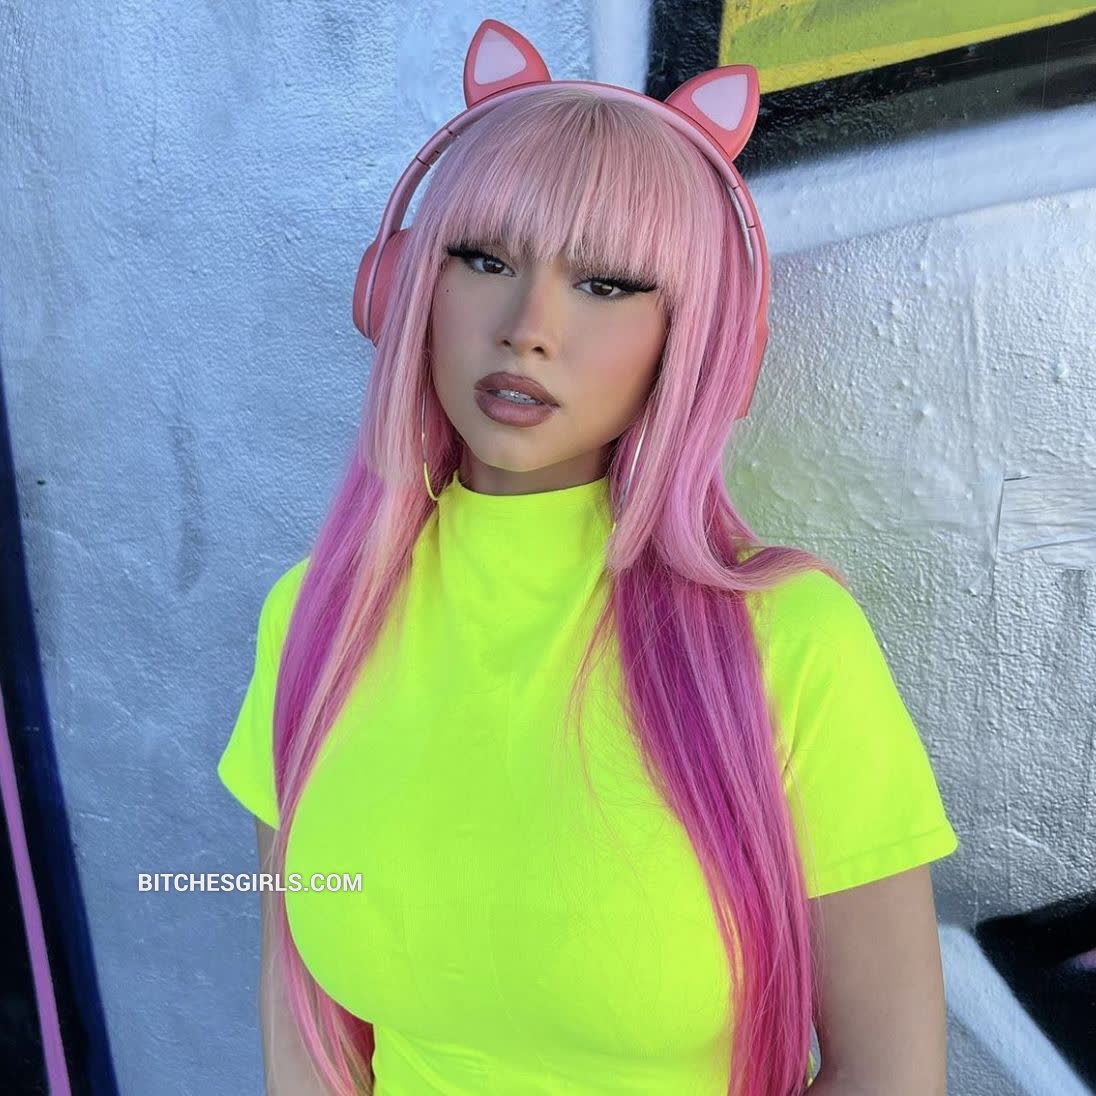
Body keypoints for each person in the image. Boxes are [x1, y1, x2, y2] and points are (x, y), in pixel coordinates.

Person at [217, 18, 958, 1096]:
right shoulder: (314, 620)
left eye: (606, 283)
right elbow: (305, 1032)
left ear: (695, 338)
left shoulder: (789, 643)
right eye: (484, 259)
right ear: (403, 289)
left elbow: (888, 1075)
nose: (528, 325)